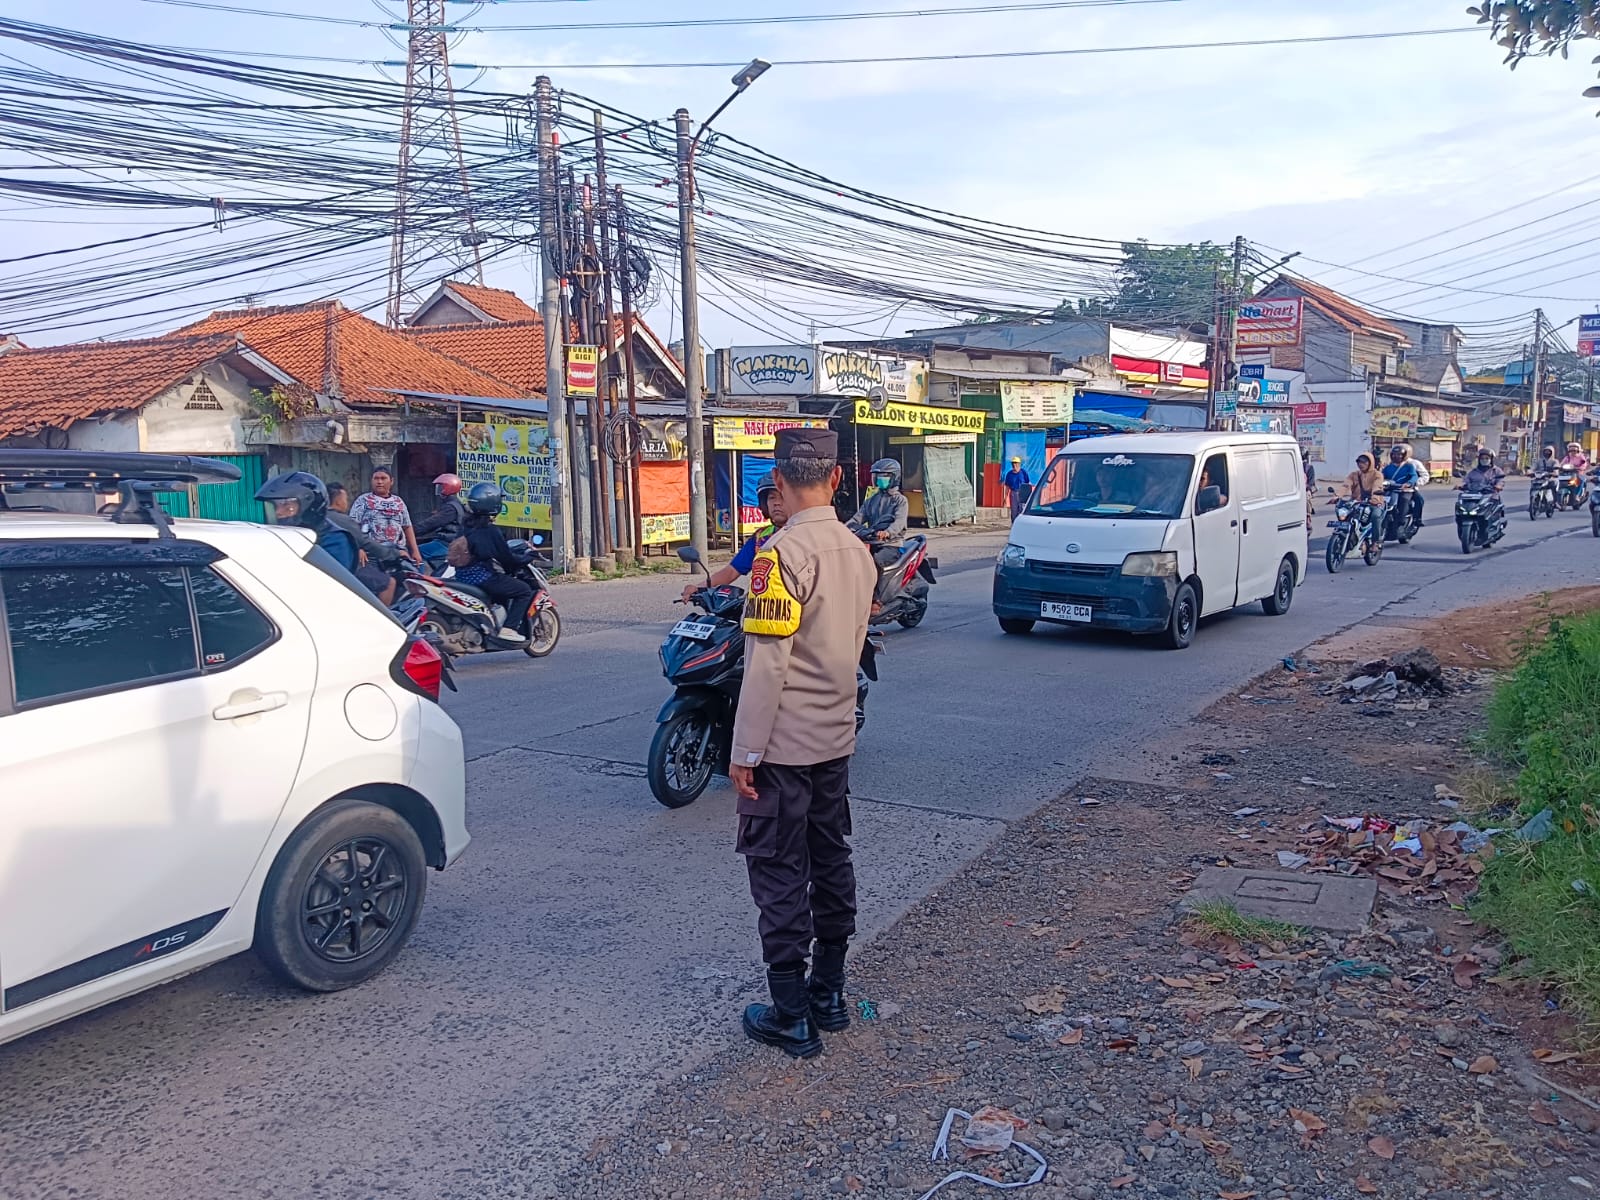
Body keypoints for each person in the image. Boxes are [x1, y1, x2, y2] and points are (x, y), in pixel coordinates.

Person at [729, 427, 877, 1060]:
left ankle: (790, 1014)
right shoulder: (857, 551)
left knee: (779, 871)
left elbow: (768, 664)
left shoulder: (780, 555)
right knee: (830, 858)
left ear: (780, 481)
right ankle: (830, 993)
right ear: (837, 479)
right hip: (836, 741)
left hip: (783, 748)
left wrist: (743, 752)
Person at [682, 472, 787, 603]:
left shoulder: (806, 533)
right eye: (772, 498)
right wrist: (699, 587)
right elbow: (732, 571)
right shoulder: (761, 538)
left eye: (782, 497)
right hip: (763, 611)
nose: (776, 503)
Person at [460, 482, 534, 645]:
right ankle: (509, 629)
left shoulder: (466, 525)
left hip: (461, 577)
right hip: (483, 577)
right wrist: (526, 559)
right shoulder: (490, 530)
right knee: (524, 590)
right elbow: (506, 559)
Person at [254, 471, 358, 571]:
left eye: (286, 505)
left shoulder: (335, 540)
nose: (278, 512)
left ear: (309, 505)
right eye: (276, 506)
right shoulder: (288, 535)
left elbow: (330, 581)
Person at [350, 466, 422, 563]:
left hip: (398, 551)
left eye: (383, 478)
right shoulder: (363, 500)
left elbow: (407, 527)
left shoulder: (398, 502)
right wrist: (359, 548)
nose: (379, 482)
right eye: (376, 478)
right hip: (372, 553)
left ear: (391, 481)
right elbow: (353, 526)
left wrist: (415, 551)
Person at [848, 458, 908, 567]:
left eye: (884, 476)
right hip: (872, 541)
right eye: (877, 476)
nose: (879, 479)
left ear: (894, 477)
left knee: (875, 562)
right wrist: (843, 527)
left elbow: (899, 522)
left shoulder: (900, 500)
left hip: (891, 545)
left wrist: (887, 532)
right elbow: (858, 518)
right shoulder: (871, 500)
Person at [414, 472, 469, 553]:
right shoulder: (454, 504)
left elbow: (431, 523)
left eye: (440, 487)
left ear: (448, 488)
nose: (438, 490)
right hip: (448, 541)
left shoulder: (450, 508)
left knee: (415, 553)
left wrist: (411, 531)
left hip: (446, 544)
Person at [1381, 444, 1425, 542]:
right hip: (1390, 490)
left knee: (1405, 501)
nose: (1397, 456)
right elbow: (1381, 476)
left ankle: (1401, 524)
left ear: (1404, 455)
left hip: (1404, 491)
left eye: (1400, 455)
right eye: (1395, 454)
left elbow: (1414, 476)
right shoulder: (1388, 467)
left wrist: (1409, 483)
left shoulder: (1410, 466)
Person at [1002, 455, 1032, 522]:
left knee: (1022, 510)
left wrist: (1029, 496)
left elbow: (1028, 484)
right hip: (1013, 494)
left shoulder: (1023, 473)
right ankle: (1014, 525)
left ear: (1019, 464)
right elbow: (1007, 487)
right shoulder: (1009, 474)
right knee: (1014, 511)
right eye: (1013, 463)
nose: (1014, 465)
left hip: (1022, 493)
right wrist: (1005, 498)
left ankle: (1022, 525)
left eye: (1016, 463)